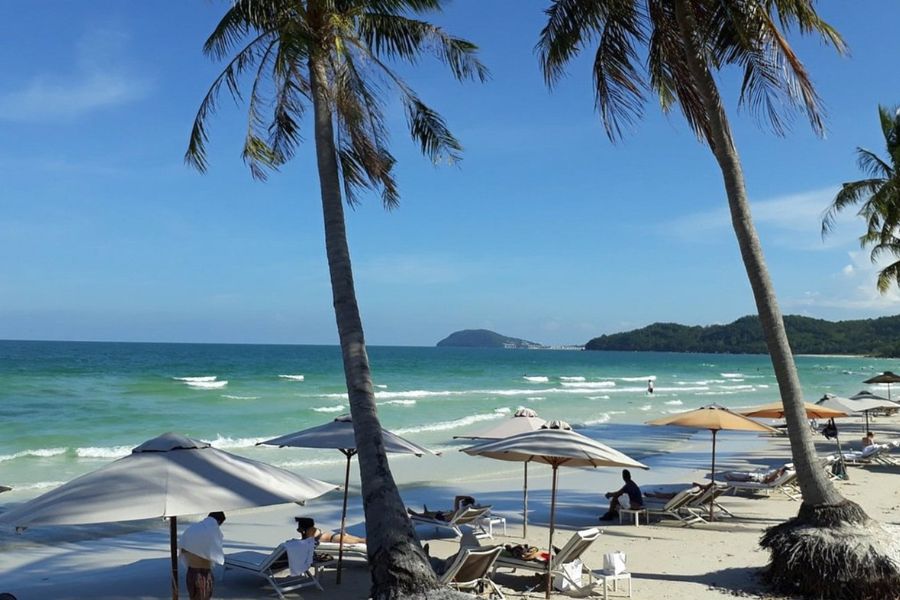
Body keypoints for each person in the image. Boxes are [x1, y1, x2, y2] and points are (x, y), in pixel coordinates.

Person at [179, 511, 226, 600]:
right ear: (219, 522)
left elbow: (183, 549)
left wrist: (195, 551)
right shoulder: (214, 531)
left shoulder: (192, 528)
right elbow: (217, 554)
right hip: (204, 574)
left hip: (191, 572)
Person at [294, 517, 366, 545]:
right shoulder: (312, 529)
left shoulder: (310, 531)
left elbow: (306, 541)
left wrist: (301, 532)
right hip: (335, 536)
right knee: (359, 539)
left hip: (334, 538)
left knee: (359, 541)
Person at [407, 495, 477, 521]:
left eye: (463, 501)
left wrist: (468, 497)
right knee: (441, 512)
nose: (461, 502)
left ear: (465, 503)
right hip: (449, 517)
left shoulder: (460, 510)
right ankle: (427, 512)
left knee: (435, 515)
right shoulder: (465, 510)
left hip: (444, 519)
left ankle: (415, 514)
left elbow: (457, 497)